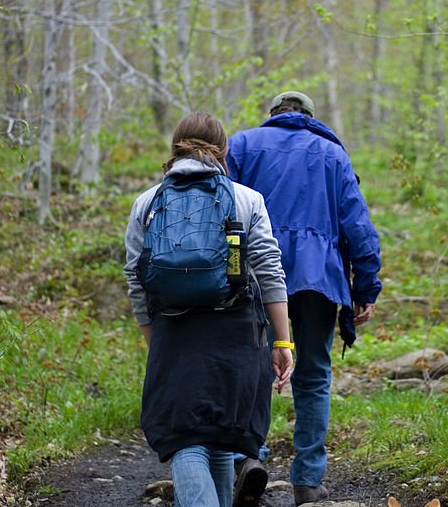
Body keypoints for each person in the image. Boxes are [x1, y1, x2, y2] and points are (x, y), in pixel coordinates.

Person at [125, 112, 294, 507]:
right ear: (224, 151)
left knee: (187, 439)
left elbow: (136, 279)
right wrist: (282, 339)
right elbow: (269, 270)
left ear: (175, 148)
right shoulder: (246, 199)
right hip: (235, 331)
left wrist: (156, 342)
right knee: (221, 438)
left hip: (173, 330)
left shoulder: (147, 203)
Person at [227, 91, 383, 506]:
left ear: (273, 116)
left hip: (255, 276)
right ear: (310, 118)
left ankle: (248, 459)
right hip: (319, 278)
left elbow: (223, 213)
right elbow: (358, 225)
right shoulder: (332, 154)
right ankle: (308, 480)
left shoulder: (242, 145)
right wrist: (366, 286)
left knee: (255, 368)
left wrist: (226, 272)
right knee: (312, 376)